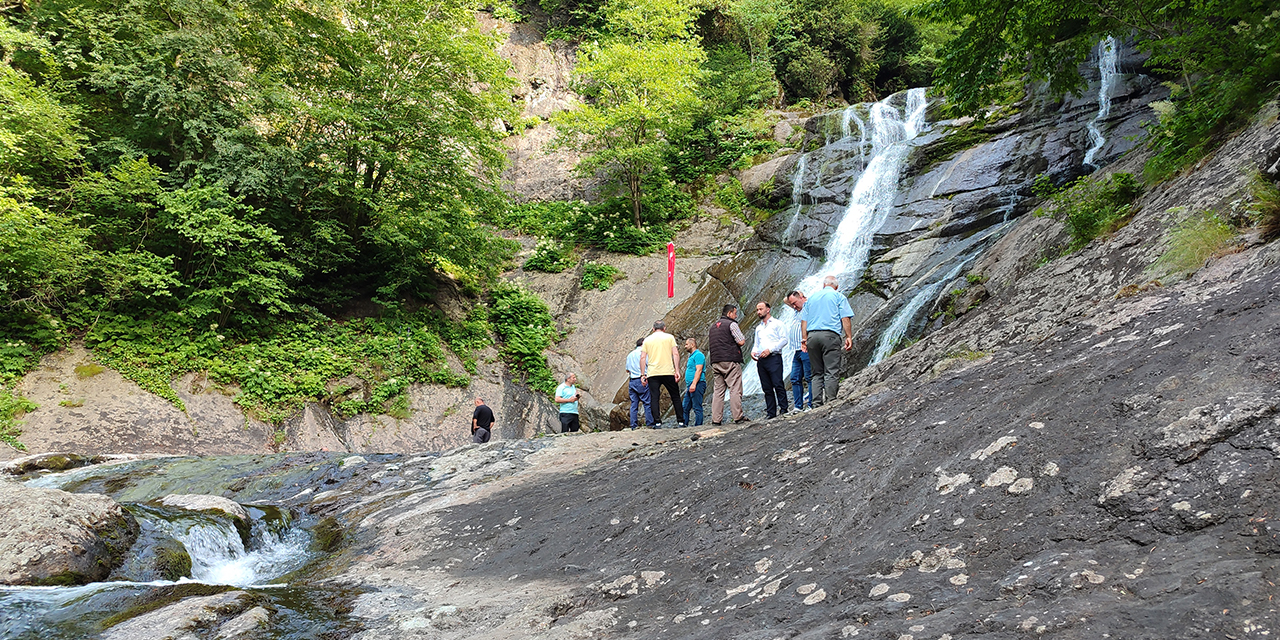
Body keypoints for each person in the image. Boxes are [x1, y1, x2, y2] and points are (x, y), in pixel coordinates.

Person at [800, 275, 854, 406]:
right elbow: (845, 318)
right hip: (830, 335)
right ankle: (831, 402)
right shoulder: (838, 296)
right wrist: (848, 336)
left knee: (816, 372)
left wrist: (804, 339)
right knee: (831, 370)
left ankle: (816, 403)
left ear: (823, 285)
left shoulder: (811, 299)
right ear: (836, 286)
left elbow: (804, 321)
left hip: (812, 337)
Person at [708, 303, 748, 425]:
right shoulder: (732, 324)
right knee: (735, 388)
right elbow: (741, 341)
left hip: (715, 361)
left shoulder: (713, 327)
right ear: (729, 313)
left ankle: (716, 419)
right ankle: (737, 417)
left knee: (718, 391)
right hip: (730, 360)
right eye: (735, 313)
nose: (736, 316)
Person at [751, 301, 789, 419]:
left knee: (778, 384)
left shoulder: (777, 323)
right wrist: (753, 351)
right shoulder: (758, 328)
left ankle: (783, 408)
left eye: (761, 309)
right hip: (761, 360)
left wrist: (770, 349)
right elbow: (757, 344)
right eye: (757, 310)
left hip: (774, 357)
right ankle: (771, 412)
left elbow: (784, 340)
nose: (758, 312)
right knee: (766, 387)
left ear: (768, 309)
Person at [642, 321, 683, 429]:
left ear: (653, 328)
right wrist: (677, 370)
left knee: (654, 397)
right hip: (668, 371)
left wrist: (643, 374)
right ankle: (681, 421)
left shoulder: (647, 340)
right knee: (675, 396)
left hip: (653, 373)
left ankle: (657, 422)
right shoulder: (669, 337)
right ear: (664, 328)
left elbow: (642, 358)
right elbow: (675, 353)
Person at [785, 290, 813, 411]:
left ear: (802, 298)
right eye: (792, 305)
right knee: (794, 378)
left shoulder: (808, 307)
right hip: (796, 350)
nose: (794, 306)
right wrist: (795, 301)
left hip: (806, 348)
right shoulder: (796, 310)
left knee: (809, 376)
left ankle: (812, 403)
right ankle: (798, 406)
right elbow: (785, 300)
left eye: (795, 303)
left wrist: (802, 297)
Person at [625, 338, 651, 430]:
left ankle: (633, 425)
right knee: (647, 402)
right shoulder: (644, 353)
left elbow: (627, 369)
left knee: (634, 404)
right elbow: (649, 364)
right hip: (642, 379)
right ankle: (650, 423)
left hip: (632, 381)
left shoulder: (630, 355)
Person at [681, 337, 706, 427]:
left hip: (697, 384)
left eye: (686, 344)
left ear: (692, 344)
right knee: (685, 407)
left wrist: (694, 384)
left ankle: (698, 426)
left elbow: (699, 370)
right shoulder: (692, 356)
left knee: (697, 407)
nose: (685, 346)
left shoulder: (698, 355)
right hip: (690, 385)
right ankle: (684, 425)